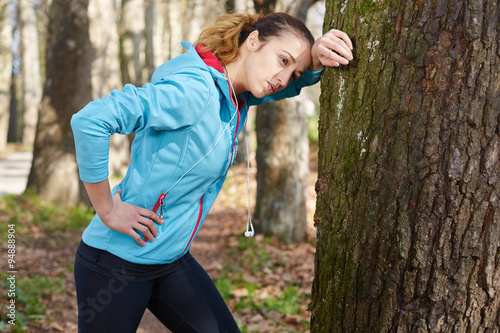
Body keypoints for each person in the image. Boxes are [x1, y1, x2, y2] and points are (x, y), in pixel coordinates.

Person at [71, 11, 353, 333]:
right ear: (253, 41)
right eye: (283, 60)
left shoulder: (235, 95)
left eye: (293, 71)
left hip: (168, 258)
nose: (284, 77)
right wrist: (107, 208)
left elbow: (285, 87)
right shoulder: (195, 91)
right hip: (116, 262)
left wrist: (314, 59)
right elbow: (91, 121)